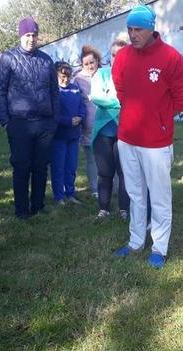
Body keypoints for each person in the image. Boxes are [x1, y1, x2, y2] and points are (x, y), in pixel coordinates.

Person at [112, 5, 183, 269]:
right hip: (127, 138)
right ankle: (135, 241)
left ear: (151, 29)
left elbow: (181, 100)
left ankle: (159, 247)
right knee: (135, 194)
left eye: (138, 29)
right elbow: (120, 89)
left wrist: (157, 119)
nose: (133, 34)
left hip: (156, 142)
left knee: (159, 196)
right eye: (130, 29)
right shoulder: (122, 57)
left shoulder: (171, 58)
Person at [0, 17, 59, 220]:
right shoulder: (8, 58)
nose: (31, 39)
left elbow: (54, 92)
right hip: (19, 123)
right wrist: (5, 120)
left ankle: (38, 205)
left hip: (44, 123)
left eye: (34, 35)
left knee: (40, 167)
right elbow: (0, 91)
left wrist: (54, 120)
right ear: (21, 35)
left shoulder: (46, 60)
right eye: (28, 35)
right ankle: (21, 209)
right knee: (22, 167)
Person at [90, 39, 130, 221]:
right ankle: (103, 209)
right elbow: (97, 97)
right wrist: (120, 102)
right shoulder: (102, 74)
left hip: (126, 133)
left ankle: (124, 209)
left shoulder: (133, 76)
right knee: (104, 173)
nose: (118, 58)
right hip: (103, 133)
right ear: (110, 56)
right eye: (114, 54)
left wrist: (110, 99)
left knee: (125, 173)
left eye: (122, 54)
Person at [51, 62, 86, 206]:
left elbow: (82, 106)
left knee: (71, 166)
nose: (65, 79)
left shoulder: (75, 89)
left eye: (68, 76)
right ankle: (58, 196)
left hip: (74, 135)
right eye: (62, 76)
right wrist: (67, 121)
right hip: (59, 135)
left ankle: (70, 193)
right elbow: (53, 114)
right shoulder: (54, 91)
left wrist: (80, 116)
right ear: (56, 76)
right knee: (58, 166)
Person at [74, 45, 100, 199]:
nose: (90, 66)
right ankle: (95, 189)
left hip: (107, 123)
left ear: (97, 61)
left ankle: (116, 187)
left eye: (92, 62)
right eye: (86, 64)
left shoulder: (105, 74)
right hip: (88, 126)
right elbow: (76, 102)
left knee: (110, 157)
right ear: (82, 65)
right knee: (91, 159)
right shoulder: (78, 79)